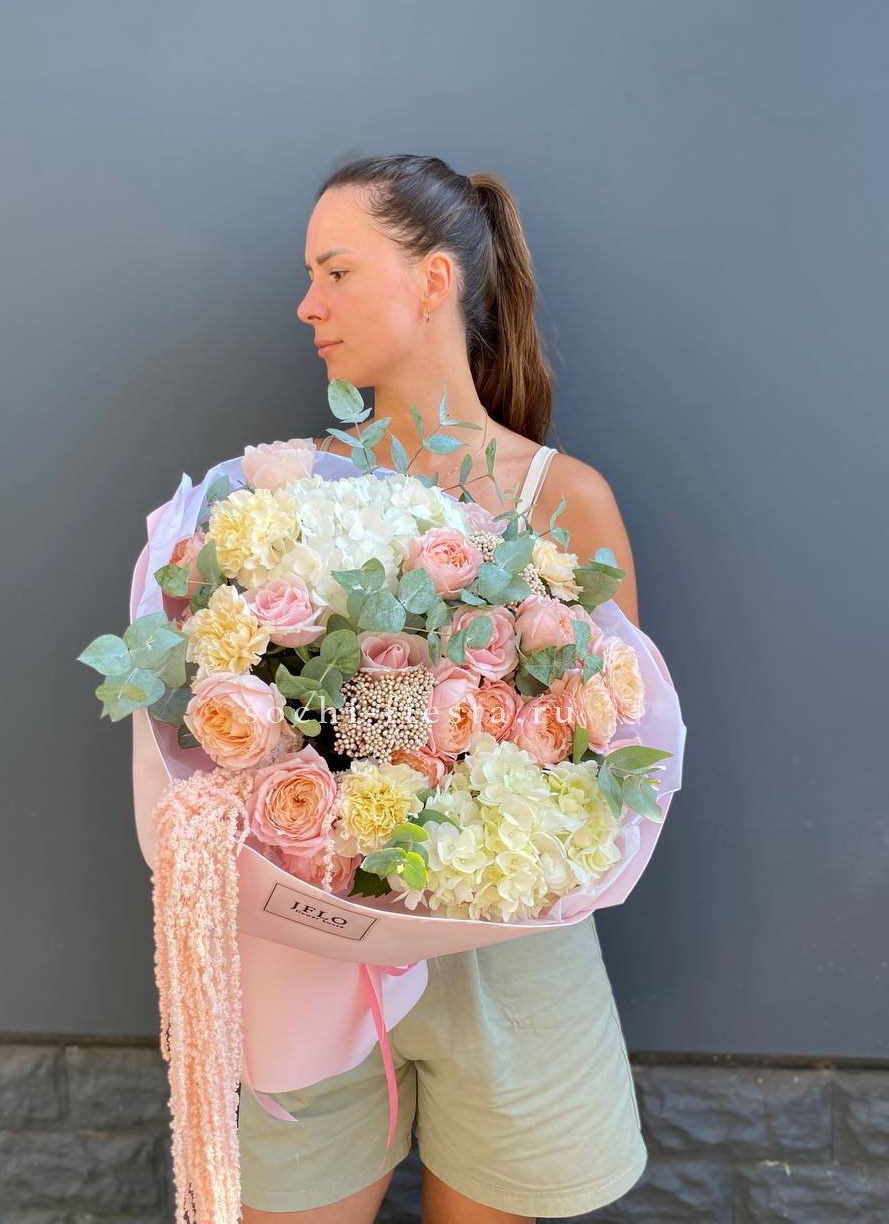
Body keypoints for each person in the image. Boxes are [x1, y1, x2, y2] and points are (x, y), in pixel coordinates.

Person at [238, 154, 646, 1224]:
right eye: (309, 277)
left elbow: (610, 747)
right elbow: (258, 731)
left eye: (336, 272)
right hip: (318, 955)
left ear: (432, 281)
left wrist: (382, 723)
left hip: (512, 960)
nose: (307, 304)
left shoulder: (567, 500)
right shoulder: (289, 497)